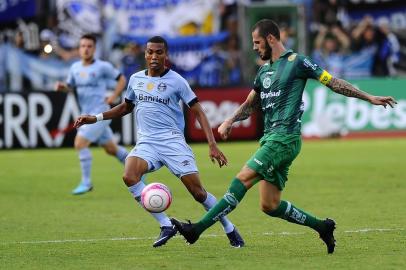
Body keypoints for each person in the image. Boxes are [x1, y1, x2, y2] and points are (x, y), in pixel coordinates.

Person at [170, 19, 397, 254]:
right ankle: (323, 227)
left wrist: (368, 97)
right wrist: (229, 120)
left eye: (257, 42)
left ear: (271, 39)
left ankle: (195, 230)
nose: (255, 47)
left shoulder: (298, 62)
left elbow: (334, 83)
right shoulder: (264, 71)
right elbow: (250, 104)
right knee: (269, 205)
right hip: (271, 139)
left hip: (284, 138)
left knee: (242, 179)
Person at [73, 36, 245, 248]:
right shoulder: (135, 79)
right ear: (145, 55)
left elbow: (198, 111)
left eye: (159, 52)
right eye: (150, 52)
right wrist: (95, 117)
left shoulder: (177, 81)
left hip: (173, 143)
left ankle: (229, 228)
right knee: (129, 175)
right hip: (147, 143)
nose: (154, 56)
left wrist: (212, 144)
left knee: (198, 193)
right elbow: (125, 108)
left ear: (166, 55)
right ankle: (166, 225)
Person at [55, 34, 128, 195]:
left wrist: (114, 96)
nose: (86, 49)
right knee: (111, 149)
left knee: (80, 143)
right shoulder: (75, 68)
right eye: (83, 46)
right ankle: (136, 169)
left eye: (89, 46)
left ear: (94, 49)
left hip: (100, 114)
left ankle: (86, 183)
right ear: (79, 49)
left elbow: (122, 79)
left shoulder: (102, 66)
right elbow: (70, 86)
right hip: (86, 114)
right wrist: (62, 87)